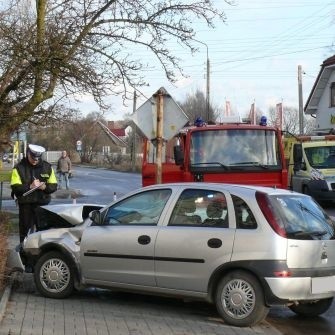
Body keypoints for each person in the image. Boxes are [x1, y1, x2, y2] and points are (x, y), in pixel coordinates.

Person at [10, 144, 58, 243]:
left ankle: (41, 254)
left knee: (43, 231)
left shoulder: (47, 167)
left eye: (37, 158)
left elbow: (53, 185)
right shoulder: (19, 168)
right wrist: (30, 186)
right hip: (26, 205)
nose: (35, 160)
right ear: (28, 153)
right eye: (33, 158)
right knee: (25, 231)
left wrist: (45, 187)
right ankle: (23, 252)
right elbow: (15, 188)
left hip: (42, 204)